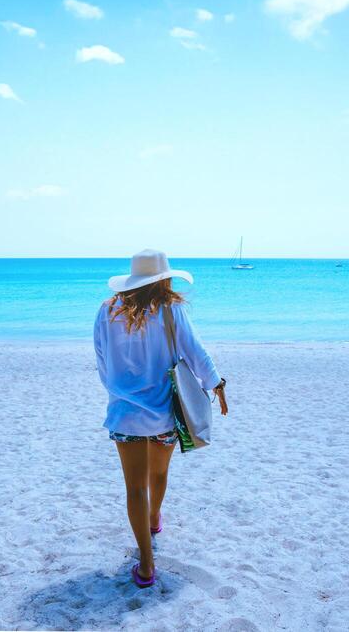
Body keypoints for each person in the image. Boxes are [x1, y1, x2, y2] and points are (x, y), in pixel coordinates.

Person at [93, 249, 228, 589]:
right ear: (164, 278)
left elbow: (102, 362)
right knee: (159, 472)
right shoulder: (172, 309)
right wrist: (216, 384)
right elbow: (196, 352)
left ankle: (146, 563)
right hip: (165, 413)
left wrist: (121, 392)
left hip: (125, 415)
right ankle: (154, 520)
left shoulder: (107, 310)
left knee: (135, 487)